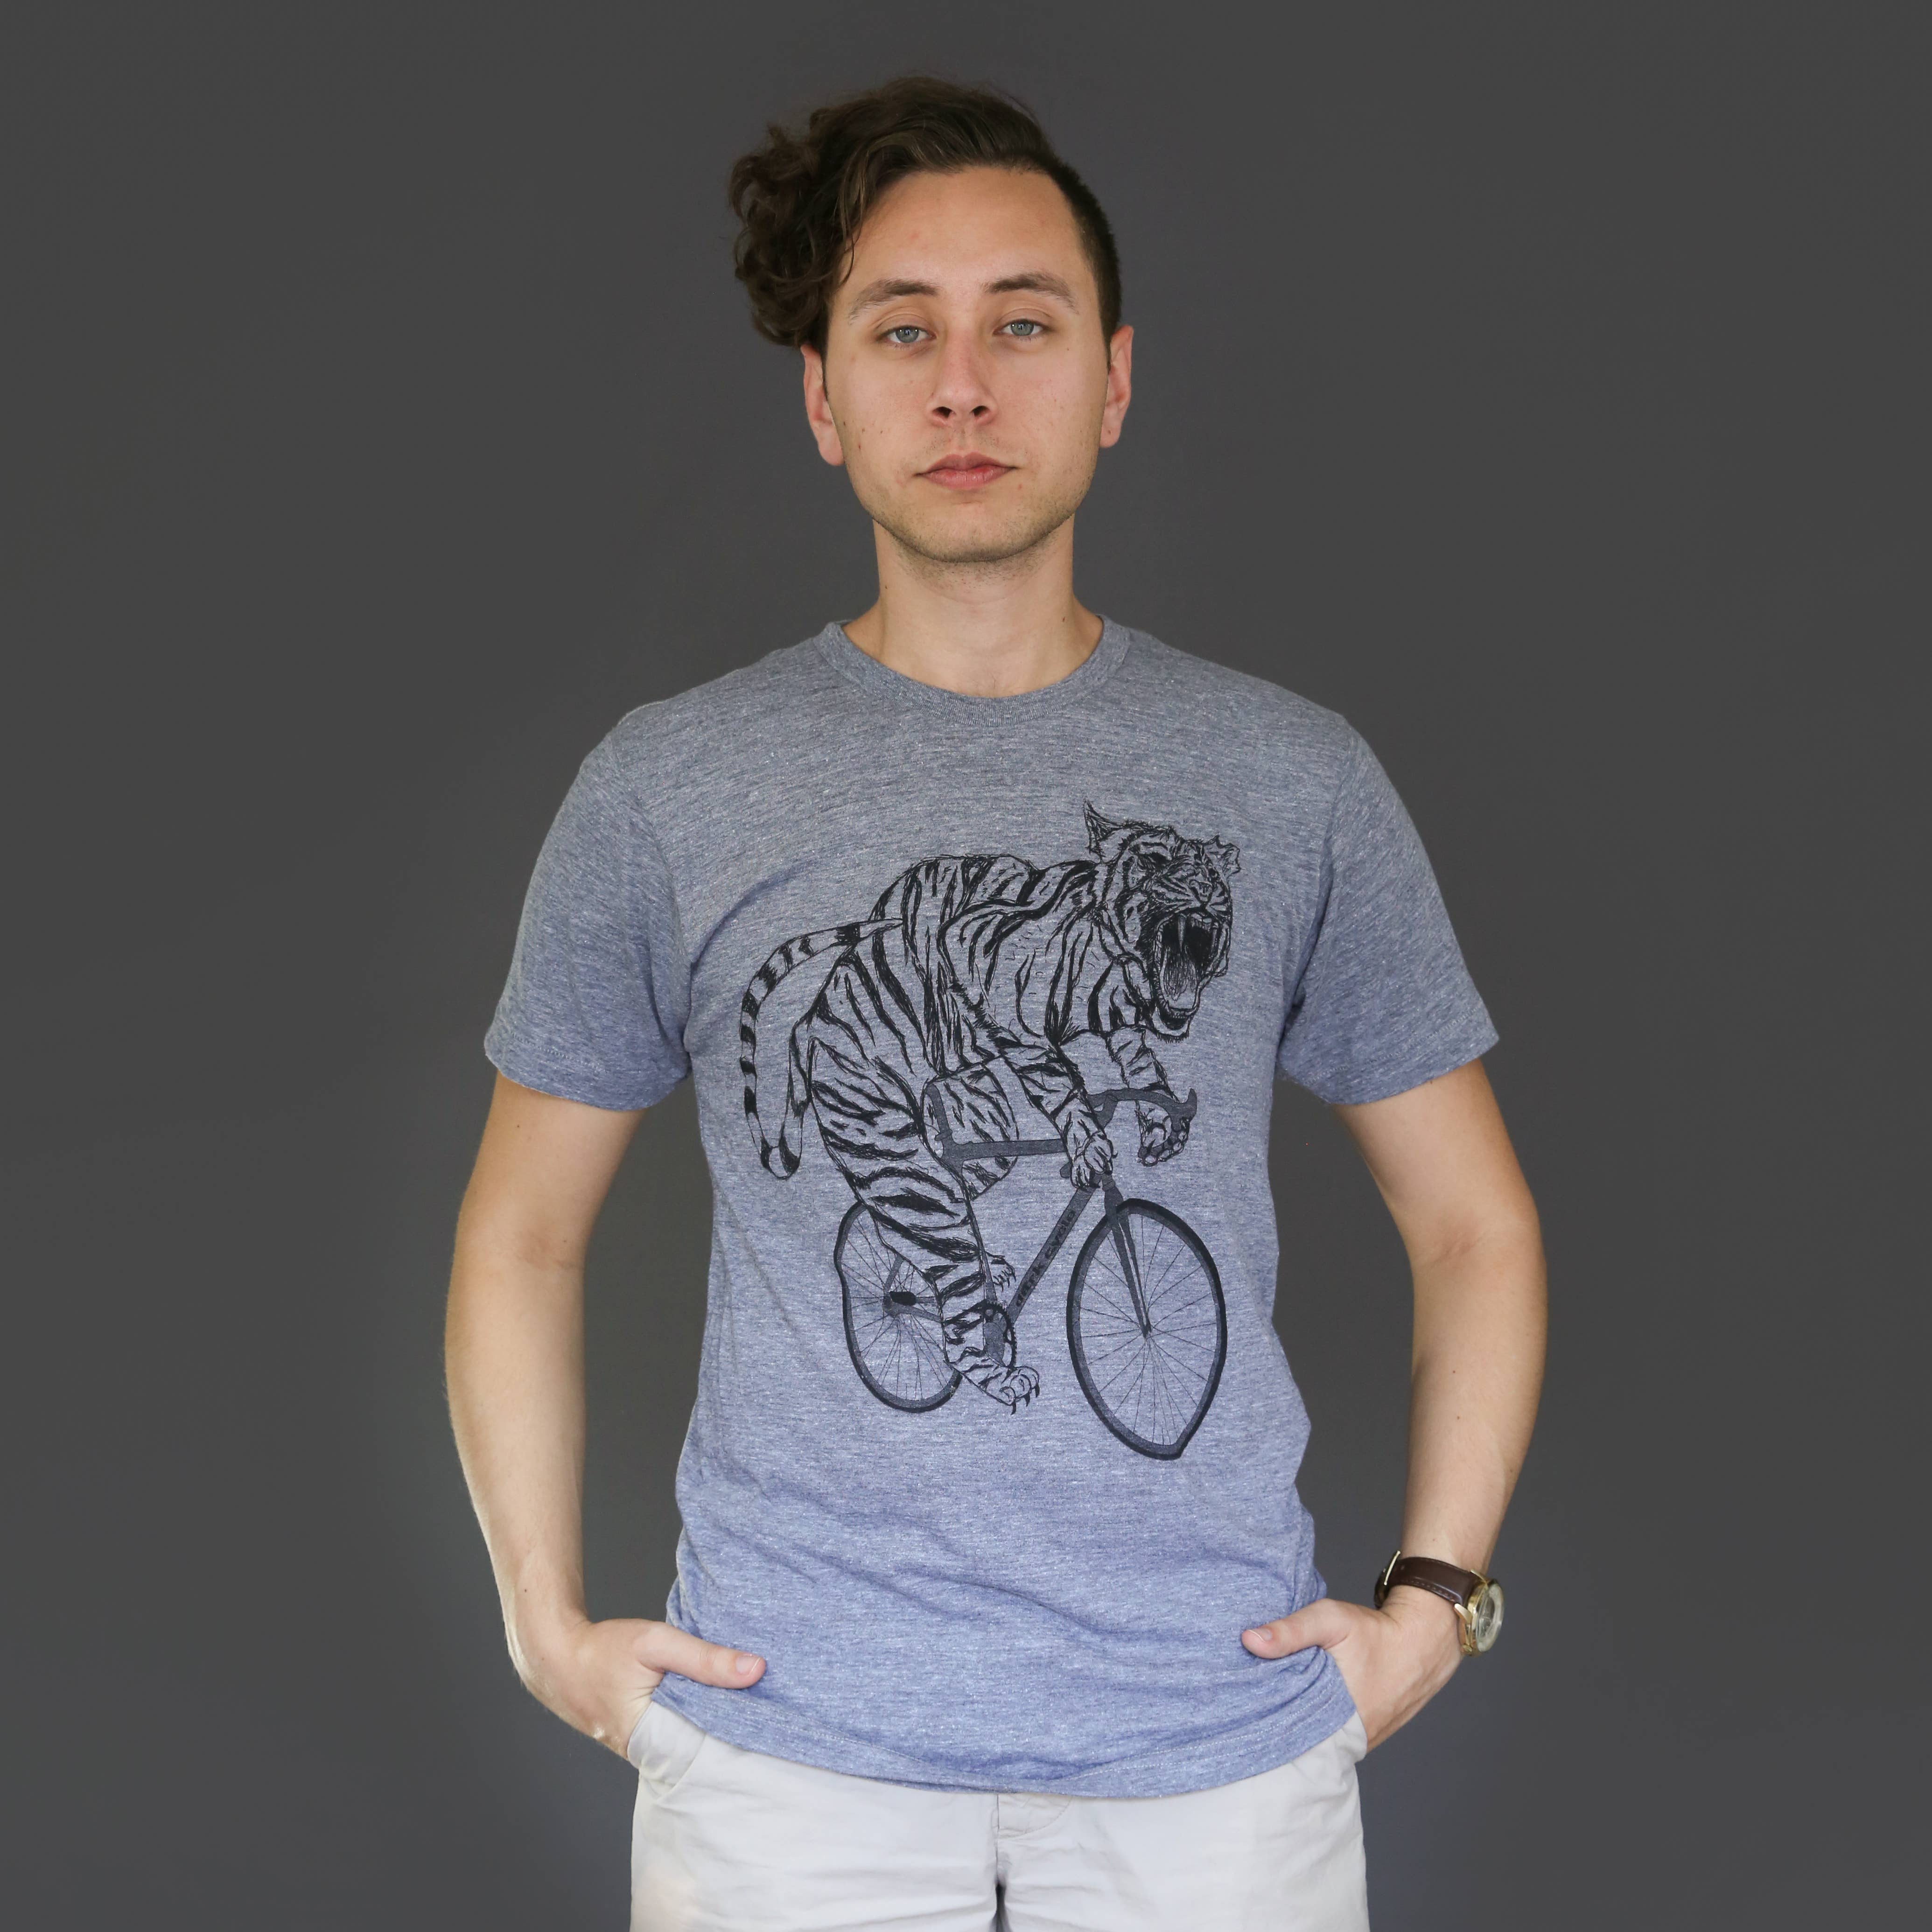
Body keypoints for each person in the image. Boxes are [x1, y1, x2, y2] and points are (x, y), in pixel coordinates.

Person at [445, 75, 1547, 1932]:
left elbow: (1473, 1223)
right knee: (951, 1197)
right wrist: (543, 1624)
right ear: (824, 399)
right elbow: (521, 1234)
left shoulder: (1288, 778)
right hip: (791, 1773)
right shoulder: (671, 786)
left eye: (1021, 325)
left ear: (1111, 380)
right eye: (903, 331)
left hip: (1216, 1766)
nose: (963, 386)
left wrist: (1436, 1602)